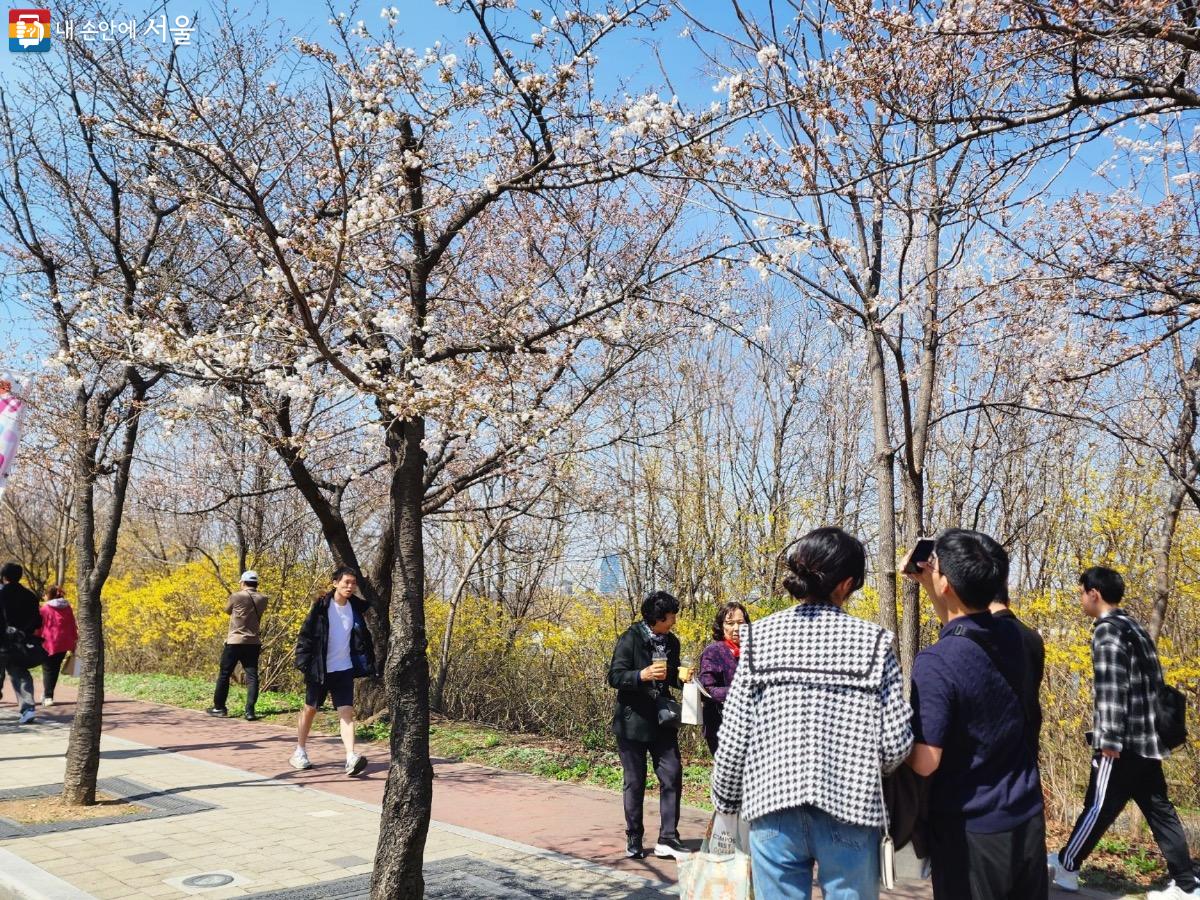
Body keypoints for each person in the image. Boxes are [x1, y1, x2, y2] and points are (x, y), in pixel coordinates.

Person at [711, 527, 913, 900]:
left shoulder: (760, 638)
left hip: (772, 805)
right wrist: (863, 765)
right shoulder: (873, 643)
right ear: (846, 584)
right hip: (850, 808)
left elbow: (735, 734)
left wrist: (726, 802)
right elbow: (895, 744)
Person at [907, 529, 1048, 900]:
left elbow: (925, 761)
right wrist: (934, 584)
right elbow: (966, 628)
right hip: (1027, 816)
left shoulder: (936, 662)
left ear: (947, 584)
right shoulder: (1020, 638)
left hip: (970, 829)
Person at [1048, 567, 1198, 900]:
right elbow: (1153, 684)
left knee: (1096, 805)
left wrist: (1109, 740)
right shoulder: (1135, 627)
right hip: (1148, 740)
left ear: (1094, 593)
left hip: (1122, 742)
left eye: (1081, 592)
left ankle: (1067, 866)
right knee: (1160, 810)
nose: (1080, 598)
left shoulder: (1107, 632)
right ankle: (1187, 884)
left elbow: (1111, 688)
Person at [607, 590, 692, 861]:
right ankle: (634, 836)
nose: (674, 621)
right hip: (632, 722)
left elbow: (673, 677)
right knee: (635, 782)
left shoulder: (672, 642)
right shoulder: (630, 638)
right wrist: (641, 675)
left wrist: (684, 677)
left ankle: (668, 837)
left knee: (672, 774)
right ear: (656, 618)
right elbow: (615, 676)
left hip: (662, 720)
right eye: (670, 617)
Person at [290, 566, 375, 776]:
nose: (350, 586)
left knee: (346, 712)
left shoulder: (355, 609)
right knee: (310, 709)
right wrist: (303, 662)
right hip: (319, 669)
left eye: (353, 583)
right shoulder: (321, 607)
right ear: (335, 583)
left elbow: (362, 640)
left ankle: (350, 757)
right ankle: (299, 751)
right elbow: (306, 635)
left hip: (343, 669)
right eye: (346, 582)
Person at [987, 573, 1045, 755]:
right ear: (1008, 600)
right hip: (1028, 746)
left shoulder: (985, 636)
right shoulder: (1033, 638)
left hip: (996, 750)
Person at [207, 571, 269, 721]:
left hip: (234, 641)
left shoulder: (236, 596)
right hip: (253, 642)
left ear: (243, 582)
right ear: (256, 584)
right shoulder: (263, 598)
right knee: (252, 676)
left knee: (225, 674)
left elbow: (227, 610)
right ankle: (249, 711)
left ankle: (219, 708)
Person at [698, 601, 749, 755]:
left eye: (740, 622)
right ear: (721, 626)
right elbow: (706, 690)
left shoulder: (755, 650)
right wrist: (739, 691)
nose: (736, 628)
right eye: (730, 623)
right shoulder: (713, 651)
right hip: (722, 726)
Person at [0, 562, 41, 724]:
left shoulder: (1, 595)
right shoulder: (30, 596)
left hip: (2, 641)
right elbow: (37, 620)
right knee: (21, 674)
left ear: (4, 576)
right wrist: (25, 631)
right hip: (21, 642)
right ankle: (28, 708)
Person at [38, 585, 77, 707]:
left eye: (44, 594)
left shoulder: (45, 609)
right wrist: (74, 640)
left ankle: (48, 696)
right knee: (54, 669)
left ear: (49, 595)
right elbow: (72, 624)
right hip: (64, 642)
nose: (43, 596)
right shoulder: (67, 608)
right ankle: (48, 694)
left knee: (48, 669)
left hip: (49, 642)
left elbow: (38, 626)